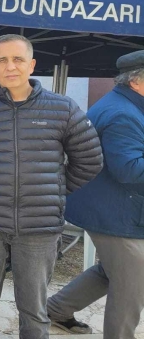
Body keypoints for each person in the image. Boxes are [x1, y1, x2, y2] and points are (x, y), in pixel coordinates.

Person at [0, 34, 102, 339]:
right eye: (2, 61)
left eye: (18, 59)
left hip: (40, 228)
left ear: (32, 64)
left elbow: (89, 160)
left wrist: (55, 189)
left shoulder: (63, 109)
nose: (11, 66)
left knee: (33, 311)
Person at [46, 50, 144, 338]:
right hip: (114, 212)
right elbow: (129, 169)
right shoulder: (122, 114)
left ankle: (56, 310)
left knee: (114, 272)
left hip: (114, 208)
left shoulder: (126, 104)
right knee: (132, 284)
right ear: (138, 81)